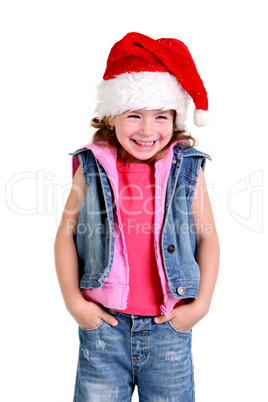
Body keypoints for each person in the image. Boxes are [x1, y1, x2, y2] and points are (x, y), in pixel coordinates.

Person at [54, 32, 220, 402]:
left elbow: (207, 236)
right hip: (104, 328)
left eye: (160, 116)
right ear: (111, 117)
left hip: (169, 329)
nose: (147, 130)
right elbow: (66, 235)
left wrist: (202, 305)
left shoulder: (187, 168)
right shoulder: (91, 165)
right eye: (134, 115)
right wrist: (74, 303)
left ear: (175, 117)